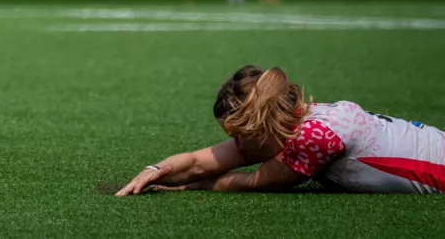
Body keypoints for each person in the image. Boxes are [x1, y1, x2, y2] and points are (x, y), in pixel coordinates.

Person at [116, 65, 445, 195]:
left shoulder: (315, 137)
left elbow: (255, 182)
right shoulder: (291, 125)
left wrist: (188, 187)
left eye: (240, 134)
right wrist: (155, 170)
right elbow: (197, 162)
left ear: (262, 125)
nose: (236, 143)